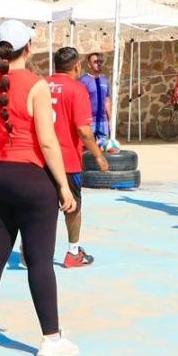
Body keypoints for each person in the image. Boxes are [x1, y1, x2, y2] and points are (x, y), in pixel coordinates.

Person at [0, 21, 79, 356]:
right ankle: (51, 339)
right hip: (29, 178)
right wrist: (63, 186)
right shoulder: (36, 86)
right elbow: (47, 141)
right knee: (40, 261)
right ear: (28, 48)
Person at [47, 46, 110, 268]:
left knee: (41, 208)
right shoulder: (77, 89)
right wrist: (99, 156)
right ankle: (73, 252)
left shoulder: (41, 85)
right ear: (77, 66)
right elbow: (83, 130)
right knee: (72, 206)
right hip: (67, 161)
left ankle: (29, 250)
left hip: (42, 159)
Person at [79, 52, 114, 151]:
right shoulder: (83, 81)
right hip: (89, 122)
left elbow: (107, 100)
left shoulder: (104, 81)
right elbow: (80, 102)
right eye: (95, 62)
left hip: (103, 121)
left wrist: (110, 119)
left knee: (104, 149)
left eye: (100, 62)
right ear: (89, 64)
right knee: (87, 150)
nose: (98, 64)